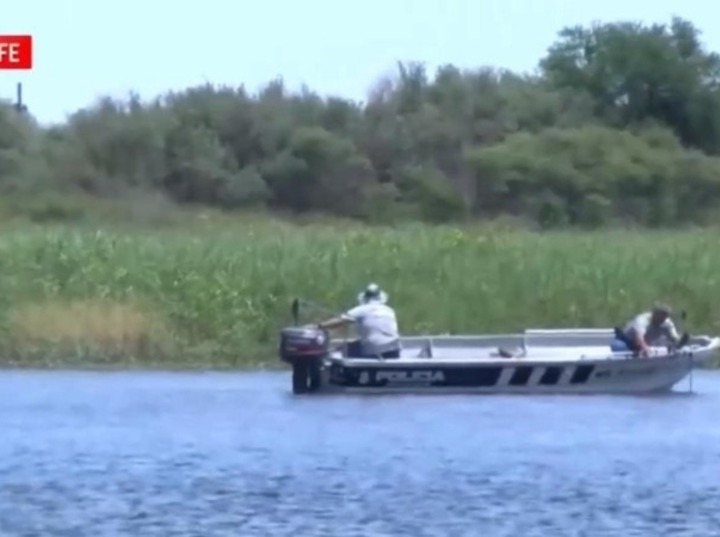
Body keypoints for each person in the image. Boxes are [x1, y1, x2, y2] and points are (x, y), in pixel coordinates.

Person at [317, 283, 401, 359]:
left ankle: (349, 374)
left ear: (365, 298)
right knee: (353, 345)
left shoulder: (361, 309)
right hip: (394, 350)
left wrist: (319, 326)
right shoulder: (390, 310)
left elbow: (340, 321)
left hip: (373, 351)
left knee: (346, 349)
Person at [613, 303, 682, 356]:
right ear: (654, 314)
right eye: (660, 316)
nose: (662, 319)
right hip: (627, 341)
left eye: (665, 317)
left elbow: (674, 337)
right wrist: (645, 348)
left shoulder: (667, 323)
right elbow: (639, 338)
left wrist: (679, 341)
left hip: (647, 344)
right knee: (618, 347)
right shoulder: (642, 320)